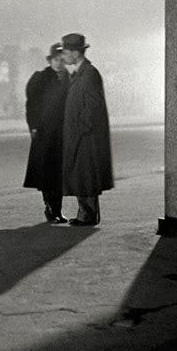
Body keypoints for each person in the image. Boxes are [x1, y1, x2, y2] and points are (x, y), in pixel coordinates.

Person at [60, 33, 113, 226]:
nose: (64, 57)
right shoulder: (80, 73)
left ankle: (88, 215)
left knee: (85, 175)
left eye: (66, 52)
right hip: (80, 135)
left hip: (86, 137)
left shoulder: (89, 74)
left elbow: (92, 107)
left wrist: (79, 129)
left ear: (75, 52)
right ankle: (84, 213)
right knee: (80, 175)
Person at [23, 43, 69, 223]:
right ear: (50, 60)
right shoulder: (40, 78)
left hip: (62, 133)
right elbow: (31, 106)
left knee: (59, 174)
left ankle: (58, 210)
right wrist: (33, 127)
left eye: (62, 60)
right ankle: (50, 208)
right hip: (44, 132)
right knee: (46, 173)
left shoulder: (69, 79)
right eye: (56, 60)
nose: (59, 63)